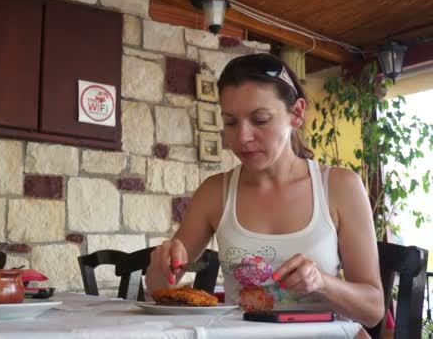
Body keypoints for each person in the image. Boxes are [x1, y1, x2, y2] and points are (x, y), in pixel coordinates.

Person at [145, 53, 384, 331]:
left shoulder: (340, 187)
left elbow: (373, 310)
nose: (243, 137)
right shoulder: (215, 192)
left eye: (260, 120)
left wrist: (321, 283)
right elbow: (158, 290)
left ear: (296, 113)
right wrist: (161, 265)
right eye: (231, 122)